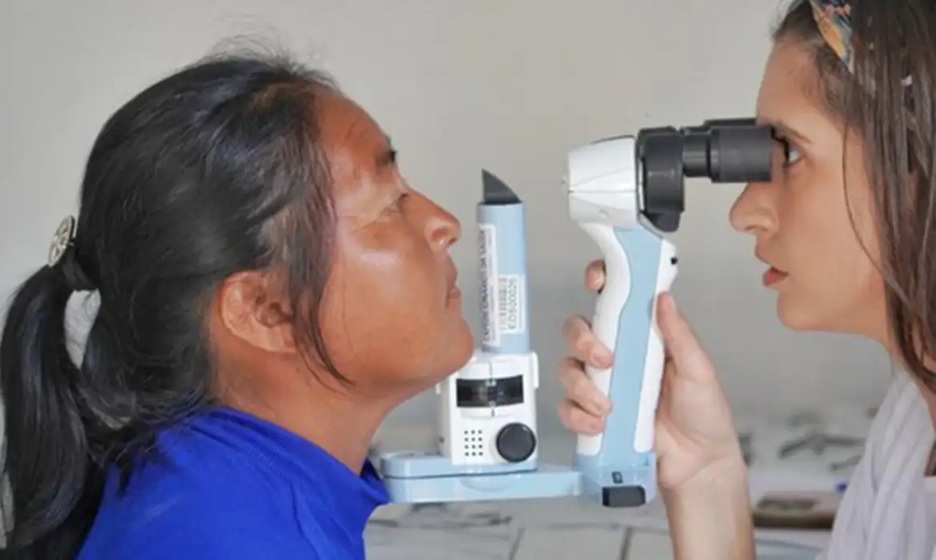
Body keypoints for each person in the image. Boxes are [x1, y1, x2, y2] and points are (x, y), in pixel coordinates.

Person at [0, 49, 473, 559]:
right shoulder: (236, 540)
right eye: (390, 203)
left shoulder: (206, 488)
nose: (445, 224)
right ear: (265, 310)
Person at [558, 0, 936, 559]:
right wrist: (705, 473)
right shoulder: (912, 428)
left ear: (916, 163)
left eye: (787, 152)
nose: (744, 213)